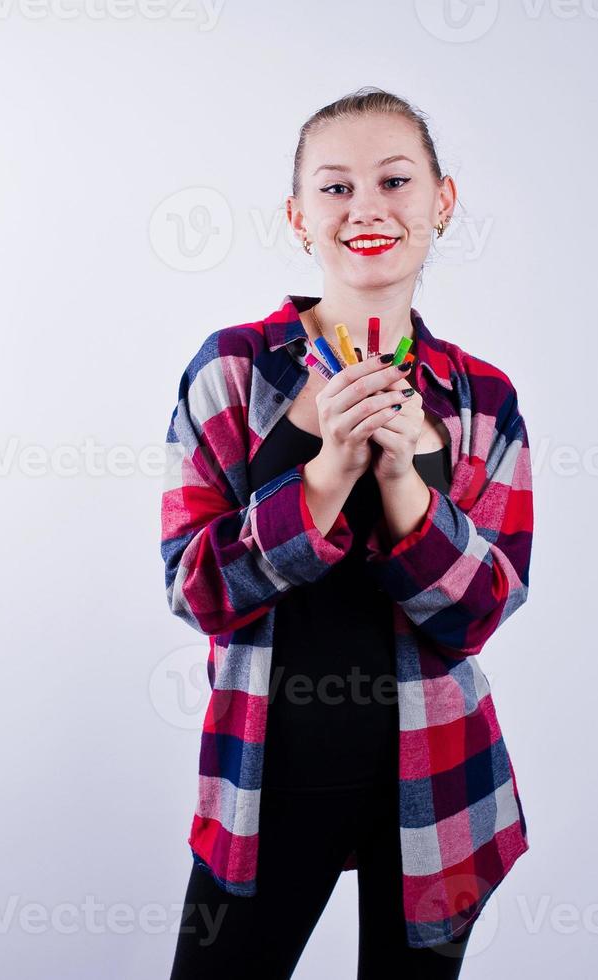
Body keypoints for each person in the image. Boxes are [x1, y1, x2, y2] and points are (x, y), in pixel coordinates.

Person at [161, 87, 535, 979]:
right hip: (265, 781)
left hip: (441, 787)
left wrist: (405, 476)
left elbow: (483, 608)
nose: (365, 206)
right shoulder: (234, 369)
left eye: (394, 180)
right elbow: (194, 588)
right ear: (297, 218)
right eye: (333, 188)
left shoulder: (483, 397)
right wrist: (325, 473)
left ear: (440, 202)